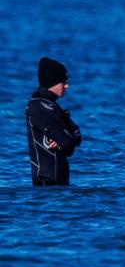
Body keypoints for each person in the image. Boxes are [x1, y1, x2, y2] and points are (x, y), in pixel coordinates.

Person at [26, 57, 82, 186]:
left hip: (60, 186)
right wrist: (65, 141)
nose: (67, 85)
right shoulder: (37, 106)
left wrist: (64, 141)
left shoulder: (54, 107)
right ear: (53, 83)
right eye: (63, 82)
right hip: (46, 185)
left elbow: (77, 136)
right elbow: (68, 144)